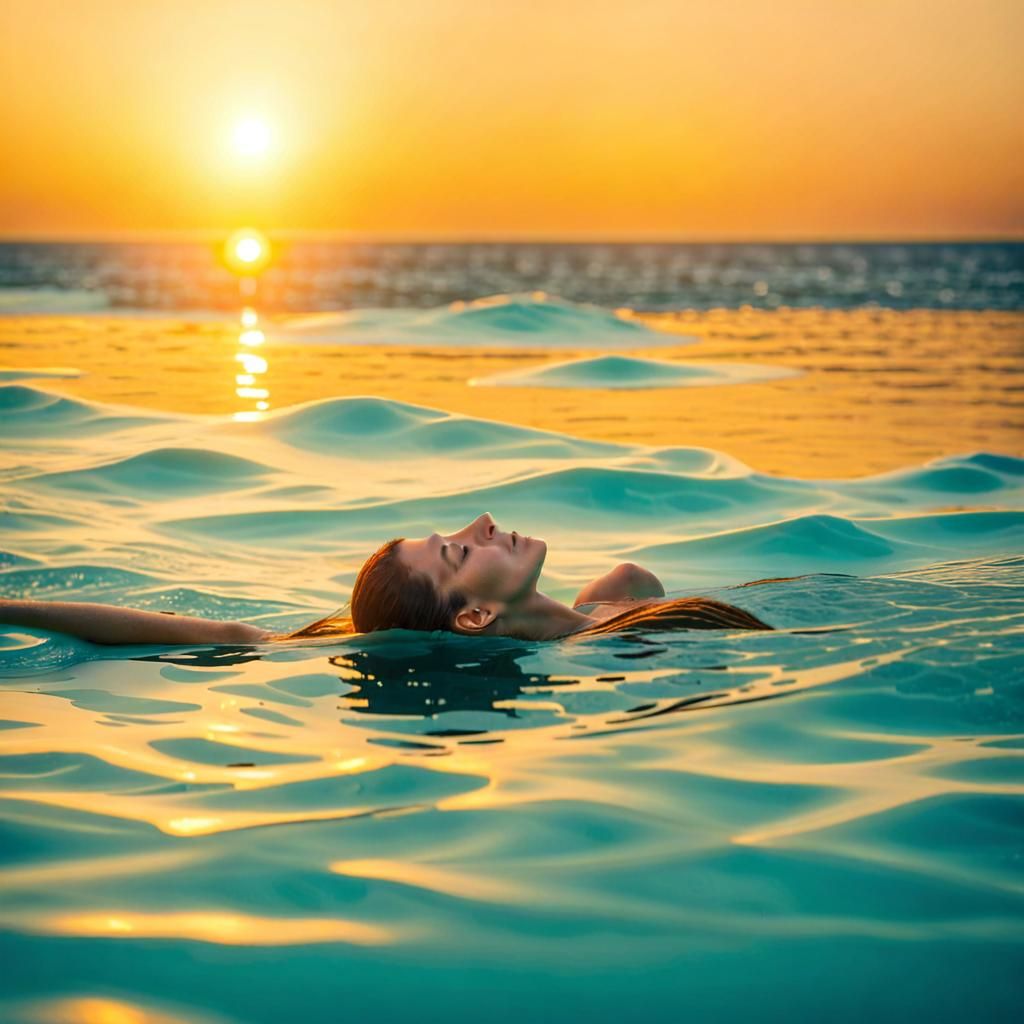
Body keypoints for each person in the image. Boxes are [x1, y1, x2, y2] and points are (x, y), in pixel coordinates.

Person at [0, 513, 770, 647]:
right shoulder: (633, 646)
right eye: (459, 555)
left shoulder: (618, 592)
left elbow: (239, 634)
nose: (482, 523)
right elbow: (225, 635)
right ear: (473, 617)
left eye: (453, 537)